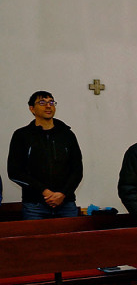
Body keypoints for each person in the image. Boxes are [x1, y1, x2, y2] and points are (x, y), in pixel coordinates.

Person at [7, 91, 83, 219]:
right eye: (42, 102)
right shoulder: (22, 135)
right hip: (35, 206)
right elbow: (14, 172)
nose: (48, 106)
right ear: (32, 109)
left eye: (51, 102)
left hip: (66, 204)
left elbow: (77, 170)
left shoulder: (67, 134)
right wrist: (44, 191)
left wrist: (63, 194)